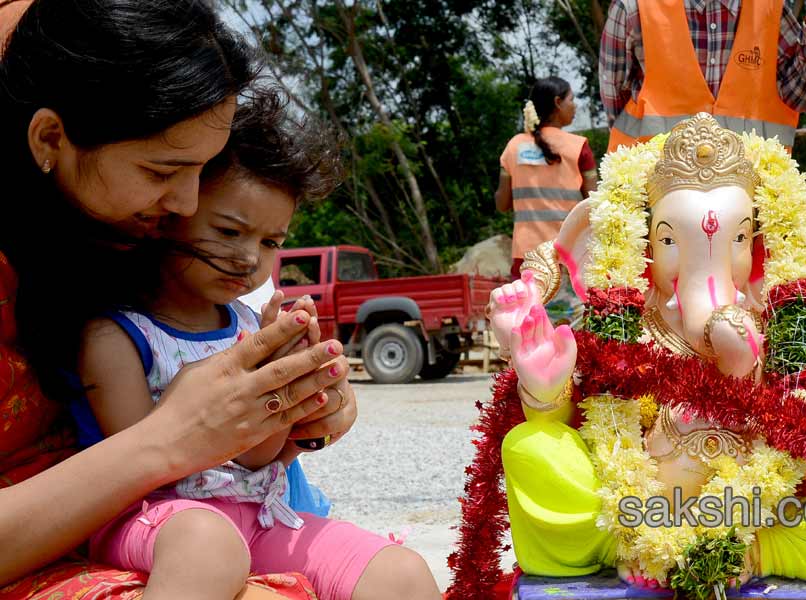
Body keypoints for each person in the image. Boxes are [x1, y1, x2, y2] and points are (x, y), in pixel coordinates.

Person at [0, 1, 413, 598]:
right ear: (49, 138)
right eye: (162, 169)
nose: (189, 205)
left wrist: (302, 420)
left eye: (203, 171)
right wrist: (171, 437)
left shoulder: (136, 240)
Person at [73, 90, 439, 600]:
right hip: (156, 519)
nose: (249, 258)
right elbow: (141, 468)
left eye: (270, 242)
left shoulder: (246, 324)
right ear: (169, 213)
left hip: (257, 515)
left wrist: (288, 384)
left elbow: (254, 458)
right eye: (229, 231)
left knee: (399, 572)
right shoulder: (118, 336)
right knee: (208, 544)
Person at [599, 0, 806, 151]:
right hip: (655, 198)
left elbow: (802, 94)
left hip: (754, 198)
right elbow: (616, 105)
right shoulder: (633, 8)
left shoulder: (770, 8)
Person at [495, 77, 597, 281]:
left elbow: (502, 204)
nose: (574, 106)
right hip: (568, 253)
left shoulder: (514, 146)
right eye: (571, 99)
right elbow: (595, 204)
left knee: (530, 311)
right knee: (571, 313)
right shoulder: (578, 147)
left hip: (526, 256)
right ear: (558, 103)